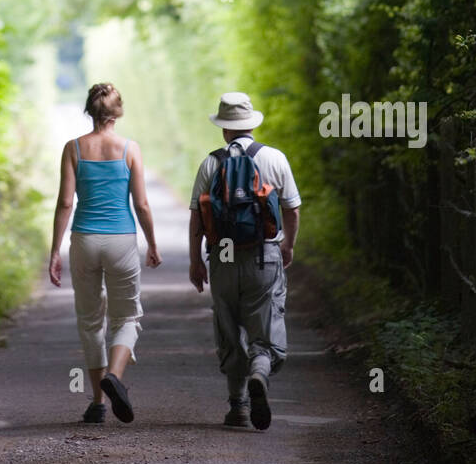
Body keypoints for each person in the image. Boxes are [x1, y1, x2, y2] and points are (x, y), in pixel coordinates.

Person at [188, 91, 301, 431]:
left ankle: (237, 407)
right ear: (251, 125)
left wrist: (196, 262)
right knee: (265, 326)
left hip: (222, 256)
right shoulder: (275, 159)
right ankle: (260, 372)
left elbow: (196, 218)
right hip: (263, 255)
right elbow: (292, 209)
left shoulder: (211, 163)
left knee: (228, 329)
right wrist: (287, 246)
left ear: (224, 129)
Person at [49, 82, 161, 424]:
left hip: (84, 239)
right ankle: (115, 375)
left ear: (89, 111)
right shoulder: (130, 149)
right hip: (121, 241)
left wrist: (55, 250)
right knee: (127, 317)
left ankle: (98, 402)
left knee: (90, 321)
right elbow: (141, 203)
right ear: (118, 111)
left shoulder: (73, 148)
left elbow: (66, 202)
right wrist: (152, 243)